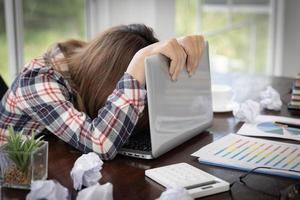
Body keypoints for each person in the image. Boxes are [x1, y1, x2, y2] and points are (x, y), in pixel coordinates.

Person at [0, 24, 204, 160]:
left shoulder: (84, 65)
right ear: (108, 82)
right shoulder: (36, 81)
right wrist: (138, 64)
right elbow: (100, 145)